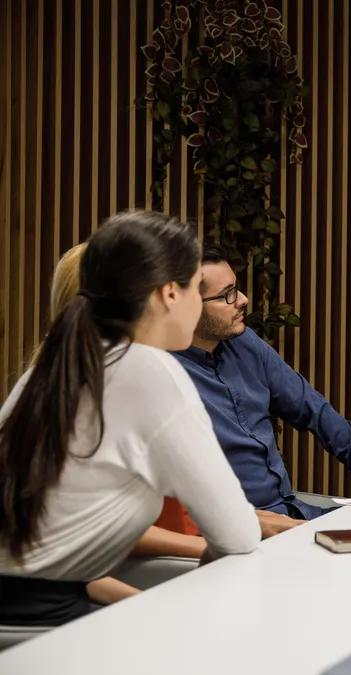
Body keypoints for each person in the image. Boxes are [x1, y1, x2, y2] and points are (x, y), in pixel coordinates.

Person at [0, 210, 260, 627]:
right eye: (196, 289)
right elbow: (237, 535)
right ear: (167, 295)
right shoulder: (149, 371)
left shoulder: (50, 369)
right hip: (46, 624)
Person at [172, 245, 351, 520]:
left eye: (237, 288)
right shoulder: (163, 377)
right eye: (228, 295)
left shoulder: (244, 342)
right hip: (242, 528)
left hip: (292, 513)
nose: (243, 299)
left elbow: (313, 409)